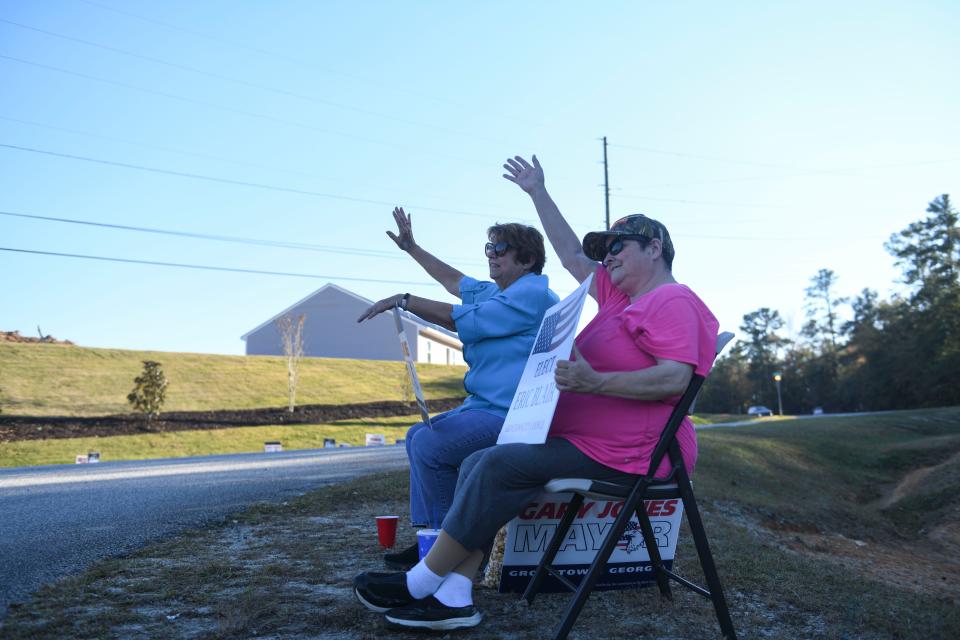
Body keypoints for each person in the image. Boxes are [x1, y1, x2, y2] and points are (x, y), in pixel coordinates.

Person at [352, 157, 720, 631]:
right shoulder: (617, 298)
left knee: (499, 463)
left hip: (635, 453)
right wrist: (537, 192)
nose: (606, 257)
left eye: (617, 246)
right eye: (604, 250)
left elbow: (674, 381)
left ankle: (422, 582)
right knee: (478, 461)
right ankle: (457, 595)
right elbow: (571, 255)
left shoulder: (672, 299)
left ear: (654, 247)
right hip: (591, 443)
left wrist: (596, 383)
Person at [357, 206, 559, 570]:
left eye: (500, 249)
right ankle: (435, 539)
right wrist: (412, 248)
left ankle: (449, 549)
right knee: (418, 434)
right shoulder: (502, 293)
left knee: (432, 444)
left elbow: (458, 317)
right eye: (489, 248)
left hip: (513, 415)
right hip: (485, 407)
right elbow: (456, 282)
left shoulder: (533, 294)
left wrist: (404, 300)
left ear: (527, 259)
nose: (491, 255)